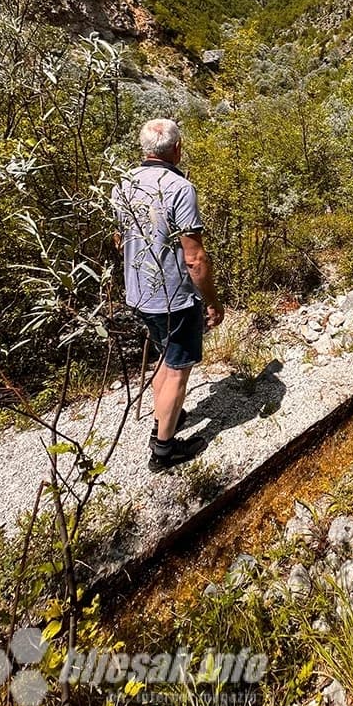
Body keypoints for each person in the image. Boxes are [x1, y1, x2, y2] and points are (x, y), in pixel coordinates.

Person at [112, 118, 224, 471]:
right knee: (178, 369)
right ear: (177, 149)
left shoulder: (122, 184)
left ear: (144, 150)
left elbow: (119, 240)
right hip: (173, 296)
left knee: (163, 358)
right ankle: (164, 450)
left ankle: (163, 423)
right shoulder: (179, 188)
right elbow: (195, 257)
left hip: (139, 292)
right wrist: (212, 300)